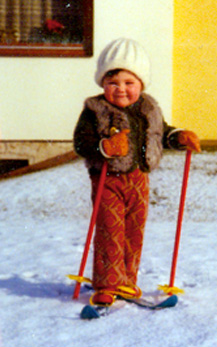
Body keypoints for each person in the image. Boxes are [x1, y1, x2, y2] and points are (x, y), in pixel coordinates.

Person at [73, 38, 201, 306]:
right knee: (111, 229)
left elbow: (161, 133)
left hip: (139, 179)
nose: (120, 89)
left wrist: (179, 137)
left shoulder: (148, 108)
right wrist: (105, 146)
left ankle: (126, 280)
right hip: (108, 179)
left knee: (134, 230)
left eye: (129, 83)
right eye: (113, 82)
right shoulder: (95, 111)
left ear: (141, 84)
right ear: (102, 84)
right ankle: (107, 283)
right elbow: (81, 143)